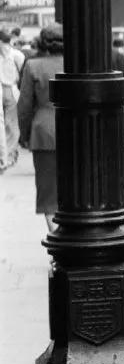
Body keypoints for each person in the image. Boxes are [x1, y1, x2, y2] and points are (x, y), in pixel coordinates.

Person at [17, 25, 63, 230]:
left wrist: (25, 135)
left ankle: (57, 243)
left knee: (48, 195)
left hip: (43, 132)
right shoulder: (75, 65)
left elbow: (24, 106)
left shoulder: (32, 66)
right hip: (76, 132)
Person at [0, 25, 24, 172]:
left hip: (4, 88)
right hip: (12, 90)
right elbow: (22, 72)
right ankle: (9, 155)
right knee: (12, 124)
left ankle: (5, 155)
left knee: (5, 124)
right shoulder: (17, 55)